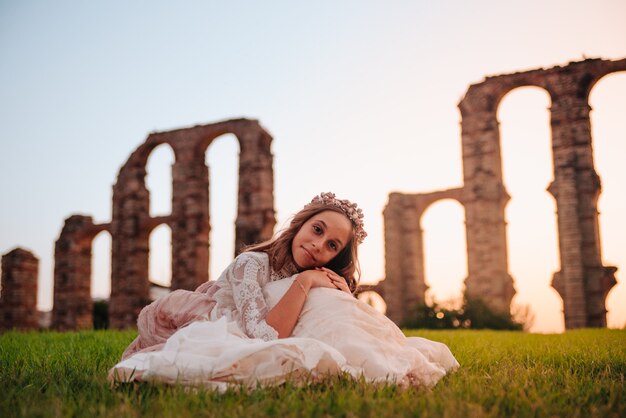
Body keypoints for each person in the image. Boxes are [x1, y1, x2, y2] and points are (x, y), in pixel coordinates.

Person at [110, 192, 459, 390]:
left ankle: (381, 364)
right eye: (317, 229)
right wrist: (305, 283)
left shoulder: (318, 275)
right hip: (228, 323)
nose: (318, 245)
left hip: (281, 320)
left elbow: (329, 322)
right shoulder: (252, 264)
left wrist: (332, 289)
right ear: (299, 224)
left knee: (329, 301)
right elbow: (262, 335)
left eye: (332, 245)